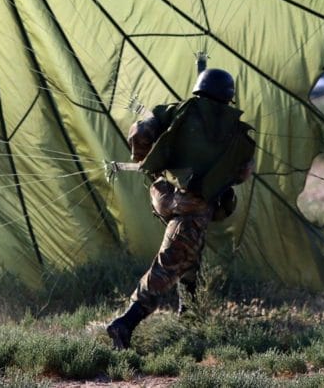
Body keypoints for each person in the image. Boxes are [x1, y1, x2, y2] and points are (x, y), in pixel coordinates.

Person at [106, 68, 255, 350]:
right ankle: (125, 323)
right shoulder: (233, 130)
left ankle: (190, 322)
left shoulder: (176, 111)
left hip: (164, 194)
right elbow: (240, 173)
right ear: (228, 97)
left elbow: (139, 132)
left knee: (189, 255)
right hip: (194, 203)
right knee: (170, 263)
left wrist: (149, 165)